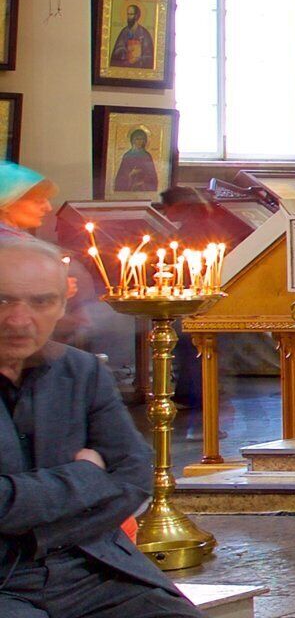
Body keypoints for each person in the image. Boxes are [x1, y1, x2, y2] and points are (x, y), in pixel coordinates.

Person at [0, 233, 188, 616]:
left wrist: (44, 531)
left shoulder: (80, 371)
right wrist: (86, 475)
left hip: (91, 568)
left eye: (41, 302)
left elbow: (134, 474)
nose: (19, 320)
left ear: (61, 306)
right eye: (2, 300)